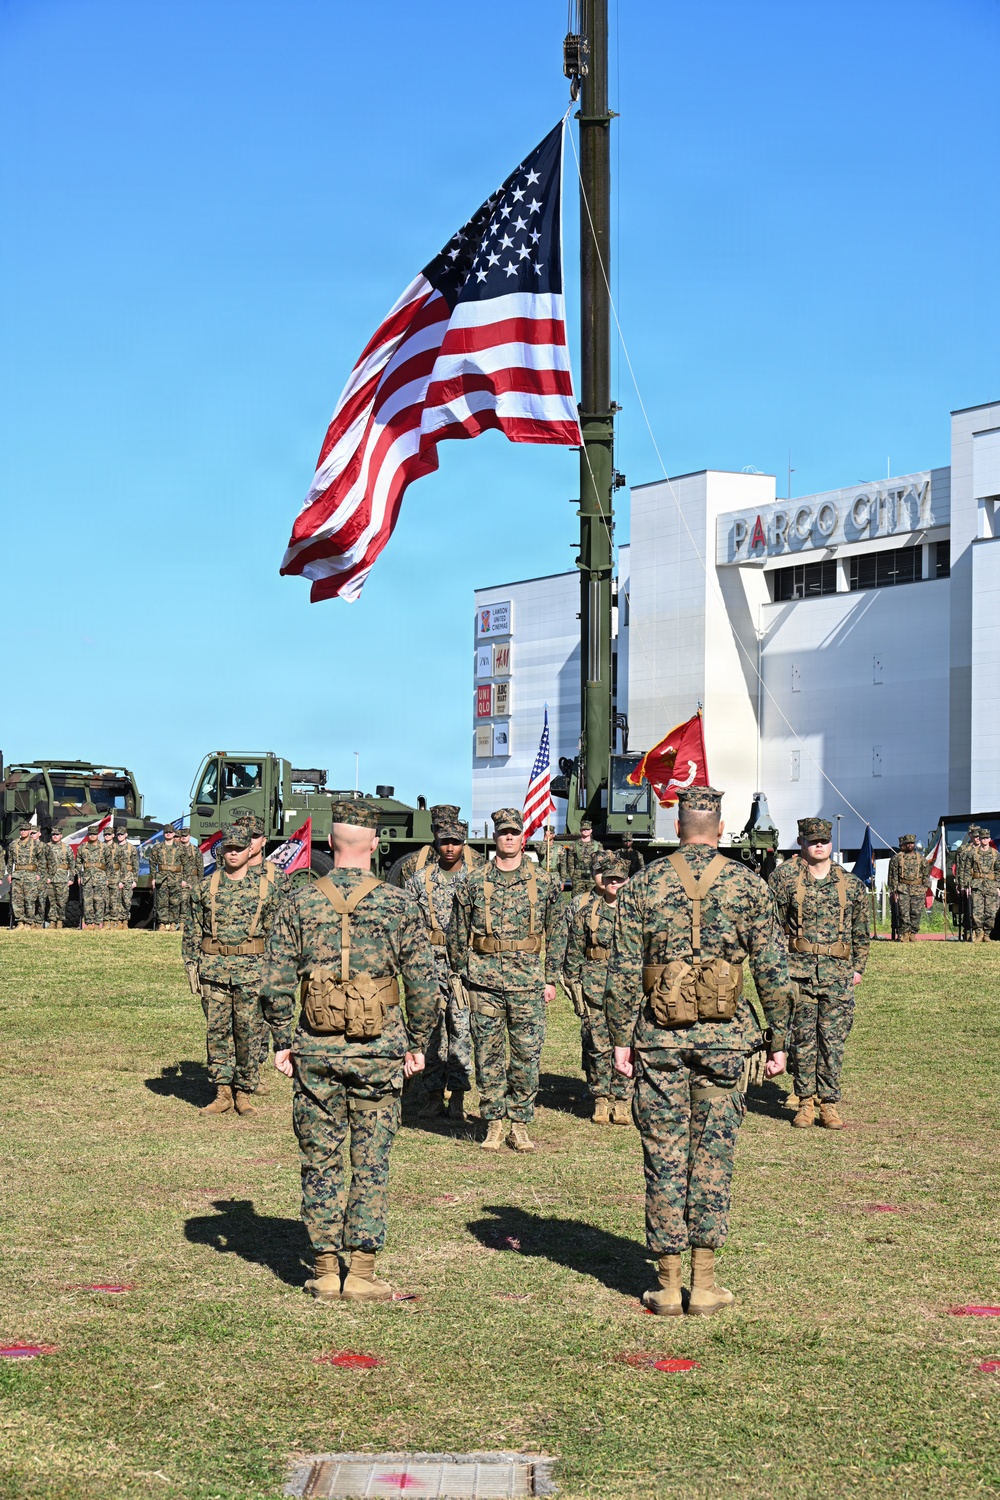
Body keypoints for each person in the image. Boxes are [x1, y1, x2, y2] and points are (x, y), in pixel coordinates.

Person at [606, 786, 791, 1317]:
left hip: (659, 1040)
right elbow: (773, 971)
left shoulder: (644, 883)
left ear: (678, 823)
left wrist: (621, 1038)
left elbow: (621, 971)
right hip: (724, 1041)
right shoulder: (747, 884)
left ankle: (667, 1286)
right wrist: (778, 1040)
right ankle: (705, 1285)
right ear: (721, 826)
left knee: (663, 1152)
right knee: (713, 1156)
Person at [261, 801, 438, 1302]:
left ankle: (323, 1268)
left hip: (315, 1050)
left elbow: (273, 981)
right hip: (378, 1052)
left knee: (320, 1159)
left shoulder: (298, 902)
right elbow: (424, 983)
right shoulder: (399, 904)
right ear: (376, 845)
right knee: (371, 1160)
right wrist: (419, 1042)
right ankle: (360, 1270)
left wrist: (282, 1040)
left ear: (331, 846)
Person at [446, 807, 562, 1153]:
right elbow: (456, 931)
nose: (509, 838)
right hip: (483, 983)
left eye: (514, 832)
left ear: (522, 836)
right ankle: (494, 1123)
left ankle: (520, 1125)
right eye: (503, 833)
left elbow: (557, 932)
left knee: (527, 1055)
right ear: (495, 837)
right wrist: (462, 970)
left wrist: (551, 976)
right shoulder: (472, 880)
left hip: (528, 983)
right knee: (488, 1055)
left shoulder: (544, 881)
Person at [768, 818, 869, 1129]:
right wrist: (776, 965)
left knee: (832, 1041)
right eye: (813, 841)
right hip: (797, 972)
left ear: (831, 843)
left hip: (837, 975)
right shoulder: (785, 878)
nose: (819, 845)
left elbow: (860, 931)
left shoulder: (850, 884)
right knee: (803, 1040)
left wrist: (858, 968)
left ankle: (830, 1103)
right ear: (802, 843)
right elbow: (771, 924)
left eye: (824, 840)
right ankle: (805, 1101)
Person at [183, 823, 282, 1117]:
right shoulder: (205, 888)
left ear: (249, 850)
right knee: (217, 1032)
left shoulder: (267, 889)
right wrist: (191, 965)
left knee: (249, 1032)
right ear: (222, 851)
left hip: (253, 972)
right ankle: (222, 1092)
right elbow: (191, 931)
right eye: (229, 849)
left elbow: (279, 933)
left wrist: (277, 972)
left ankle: (244, 1092)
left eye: (240, 848)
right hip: (214, 971)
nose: (234, 853)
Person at [406, 819, 474, 1123]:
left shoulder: (475, 879)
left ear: (464, 844)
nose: (450, 847)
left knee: (461, 1029)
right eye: (445, 841)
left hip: (464, 965)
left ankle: (457, 1095)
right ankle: (433, 1095)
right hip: (429, 963)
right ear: (436, 842)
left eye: (456, 842)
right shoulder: (420, 881)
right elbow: (408, 924)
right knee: (432, 1029)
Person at [562, 849, 633, 1125]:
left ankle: (623, 1100)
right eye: (610, 877)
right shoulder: (587, 913)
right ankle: (601, 1099)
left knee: (626, 1045)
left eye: (620, 878)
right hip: (594, 987)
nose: (614, 882)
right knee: (598, 1045)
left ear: (627, 880)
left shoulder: (637, 914)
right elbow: (574, 954)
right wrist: (574, 984)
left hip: (628, 990)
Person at [387, 804, 480, 887]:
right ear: (432, 829)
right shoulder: (414, 863)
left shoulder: (475, 860)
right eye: (439, 828)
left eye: (449, 828)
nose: (444, 832)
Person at [957, 826, 1000, 942]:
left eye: (986, 838)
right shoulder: (973, 853)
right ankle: (979, 933)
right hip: (977, 885)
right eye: (982, 838)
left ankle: (987, 934)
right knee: (977, 911)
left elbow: (998, 871)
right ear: (979, 839)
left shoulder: (995, 854)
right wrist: (966, 886)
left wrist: (998, 886)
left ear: (989, 839)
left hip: (991, 885)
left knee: (991, 912)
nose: (984, 840)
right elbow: (966, 870)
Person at [887, 834, 930, 942]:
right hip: (903, 889)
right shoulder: (897, 858)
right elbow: (893, 876)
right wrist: (893, 890)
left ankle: (913, 933)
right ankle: (904, 933)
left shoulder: (921, 859)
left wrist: (925, 888)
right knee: (903, 912)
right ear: (904, 844)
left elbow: (925, 874)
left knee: (916, 913)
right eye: (908, 843)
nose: (910, 845)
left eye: (912, 843)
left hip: (918, 889)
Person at [149, 825, 186, 930]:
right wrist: (154, 877)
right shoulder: (157, 847)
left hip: (176, 877)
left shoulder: (180, 848)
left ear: (174, 834)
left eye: (170, 832)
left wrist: (184, 879)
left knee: (175, 901)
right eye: (166, 832)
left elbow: (186, 864)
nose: (168, 834)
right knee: (162, 902)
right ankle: (162, 923)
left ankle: (173, 923)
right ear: (163, 834)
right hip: (162, 877)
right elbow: (152, 863)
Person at [557, 818, 603, 899]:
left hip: (592, 877)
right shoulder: (574, 845)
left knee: (593, 899)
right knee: (577, 900)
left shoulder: (598, 845)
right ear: (580, 830)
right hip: (578, 877)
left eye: (587, 829)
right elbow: (570, 863)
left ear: (591, 830)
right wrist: (573, 877)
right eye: (584, 829)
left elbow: (601, 863)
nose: (585, 831)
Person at [9, 824, 43, 928]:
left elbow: (42, 861)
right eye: (21, 830)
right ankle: (20, 922)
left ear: (29, 831)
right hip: (17, 875)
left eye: (25, 830)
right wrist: (10, 874)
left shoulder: (36, 845)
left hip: (31, 875)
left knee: (30, 900)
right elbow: (10, 861)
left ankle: (29, 923)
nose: (23, 831)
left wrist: (39, 874)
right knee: (17, 900)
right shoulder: (14, 844)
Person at [106, 825, 139, 929]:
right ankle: (116, 921)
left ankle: (124, 921)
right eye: (118, 834)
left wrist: (135, 879)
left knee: (126, 900)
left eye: (121, 834)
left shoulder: (131, 848)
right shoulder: (113, 847)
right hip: (115, 876)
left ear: (126, 835)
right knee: (114, 899)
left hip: (128, 877)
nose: (119, 836)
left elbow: (136, 864)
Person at [76, 827, 109, 929]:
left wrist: (107, 877)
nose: (92, 836)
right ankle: (89, 922)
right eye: (90, 834)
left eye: (94, 834)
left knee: (99, 900)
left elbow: (109, 864)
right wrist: (79, 876)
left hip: (100, 877)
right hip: (87, 877)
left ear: (97, 835)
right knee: (87, 901)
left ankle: (99, 922)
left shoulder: (104, 847)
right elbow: (78, 863)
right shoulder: (82, 847)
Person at [175, 828, 203, 924]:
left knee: (194, 900)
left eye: (185, 836)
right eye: (182, 836)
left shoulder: (195, 850)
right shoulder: (176, 850)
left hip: (194, 879)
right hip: (180, 878)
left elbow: (200, 867)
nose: (183, 838)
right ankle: (181, 923)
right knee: (182, 900)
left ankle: (193, 922)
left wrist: (200, 881)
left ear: (189, 837)